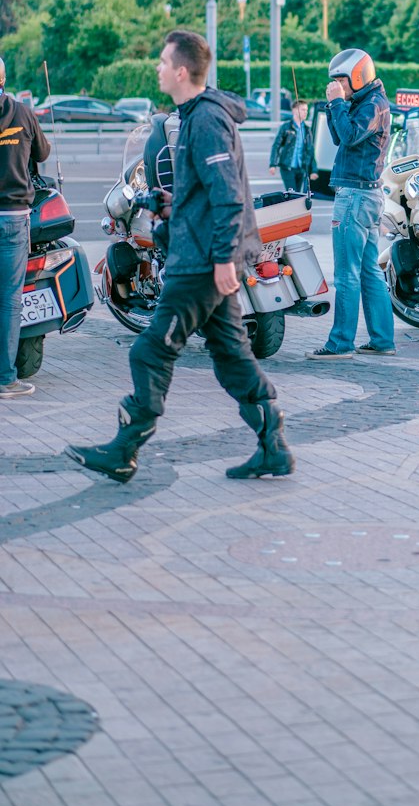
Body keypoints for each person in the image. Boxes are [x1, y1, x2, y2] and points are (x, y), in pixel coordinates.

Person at [67, 29, 294, 482]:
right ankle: (274, 449)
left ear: (182, 71)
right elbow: (206, 192)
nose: (157, 67)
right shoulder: (191, 116)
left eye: (163, 61)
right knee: (231, 355)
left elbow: (228, 196)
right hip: (201, 252)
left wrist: (226, 261)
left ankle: (124, 450)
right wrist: (168, 202)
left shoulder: (206, 120)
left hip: (200, 263)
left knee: (149, 353)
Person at [307, 48, 396, 360]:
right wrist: (336, 106)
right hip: (366, 195)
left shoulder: (372, 106)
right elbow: (337, 136)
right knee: (370, 271)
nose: (337, 86)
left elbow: (348, 136)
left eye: (341, 80)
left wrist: (335, 104)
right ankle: (382, 340)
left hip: (355, 196)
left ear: (358, 76)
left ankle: (340, 342)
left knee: (347, 273)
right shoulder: (368, 102)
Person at [0, 57, 51, 400]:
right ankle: (5, 379)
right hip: (14, 218)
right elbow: (43, 152)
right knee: (9, 299)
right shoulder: (23, 113)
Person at [269, 100, 317, 193]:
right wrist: (273, 164)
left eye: (306, 110)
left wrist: (314, 170)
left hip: (301, 168)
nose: (305, 112)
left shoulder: (307, 130)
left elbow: (310, 150)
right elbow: (276, 146)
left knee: (297, 196)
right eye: (303, 110)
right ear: (294, 110)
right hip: (287, 167)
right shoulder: (286, 127)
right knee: (292, 194)